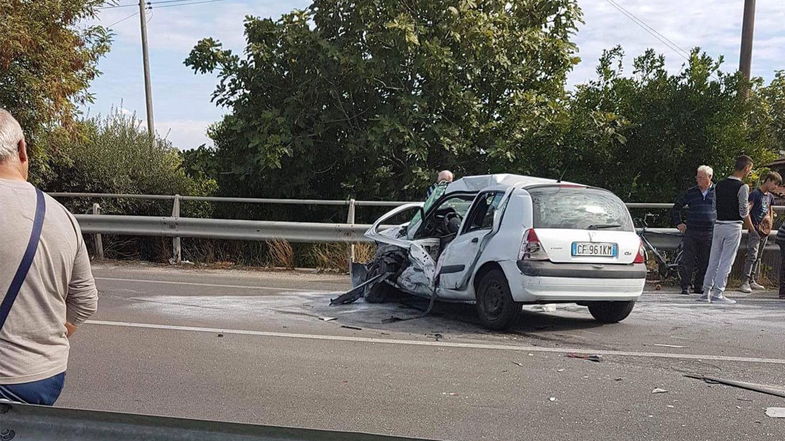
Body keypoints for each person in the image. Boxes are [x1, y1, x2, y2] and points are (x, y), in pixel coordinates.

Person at [0, 109, 98, 405]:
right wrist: (38, 343)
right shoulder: (61, 216)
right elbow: (85, 302)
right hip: (39, 378)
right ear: (21, 149)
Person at [700, 155, 754, 304]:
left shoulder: (719, 184)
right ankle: (718, 292)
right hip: (733, 225)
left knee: (713, 259)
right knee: (726, 261)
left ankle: (706, 291)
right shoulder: (743, 186)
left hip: (718, 224)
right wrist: (751, 227)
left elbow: (714, 206)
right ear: (746, 168)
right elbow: (743, 211)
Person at [671, 165, 716, 295]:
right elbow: (676, 207)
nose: (698, 180)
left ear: (710, 177)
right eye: (698, 177)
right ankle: (685, 286)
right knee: (687, 260)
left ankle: (699, 285)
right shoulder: (691, 192)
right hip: (692, 231)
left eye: (702, 177)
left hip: (709, 231)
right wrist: (679, 223)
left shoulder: (716, 192)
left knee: (705, 261)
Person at [740, 171, 782, 293]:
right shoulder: (755, 194)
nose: (775, 187)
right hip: (755, 228)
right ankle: (745, 281)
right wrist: (752, 229)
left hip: (764, 230)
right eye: (774, 184)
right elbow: (747, 210)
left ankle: (753, 279)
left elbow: (770, 210)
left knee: (758, 256)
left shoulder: (770, 196)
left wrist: (769, 226)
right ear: (768, 180)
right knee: (752, 255)